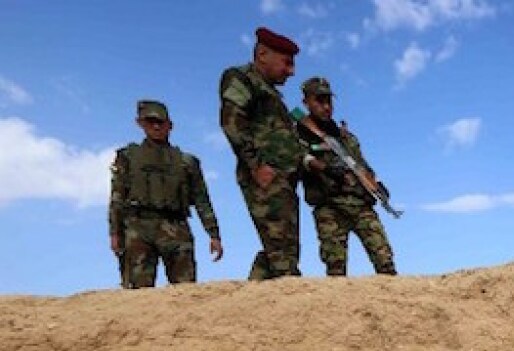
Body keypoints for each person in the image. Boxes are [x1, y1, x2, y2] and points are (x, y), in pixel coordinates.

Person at [219, 27, 309, 281]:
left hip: (283, 180)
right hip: (265, 177)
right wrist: (255, 165)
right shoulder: (241, 78)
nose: (291, 71)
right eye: (287, 63)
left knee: (281, 251)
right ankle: (289, 307)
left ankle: (253, 304)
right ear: (262, 54)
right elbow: (231, 122)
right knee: (282, 254)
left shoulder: (272, 95)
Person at [108, 100, 223, 288]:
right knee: (138, 293)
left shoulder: (187, 162)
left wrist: (214, 234)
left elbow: (202, 200)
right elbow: (117, 197)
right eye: (150, 121)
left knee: (185, 291)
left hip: (176, 228)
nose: (156, 126)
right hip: (138, 228)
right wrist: (115, 233)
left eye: (160, 122)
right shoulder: (127, 157)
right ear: (140, 123)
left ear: (170, 126)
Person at [295, 77, 396, 276]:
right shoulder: (299, 132)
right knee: (336, 269)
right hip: (329, 206)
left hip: (359, 204)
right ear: (306, 102)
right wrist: (324, 168)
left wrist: (377, 184)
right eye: (319, 101)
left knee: (385, 262)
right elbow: (298, 157)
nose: (326, 107)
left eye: (328, 101)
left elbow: (362, 164)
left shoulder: (346, 137)